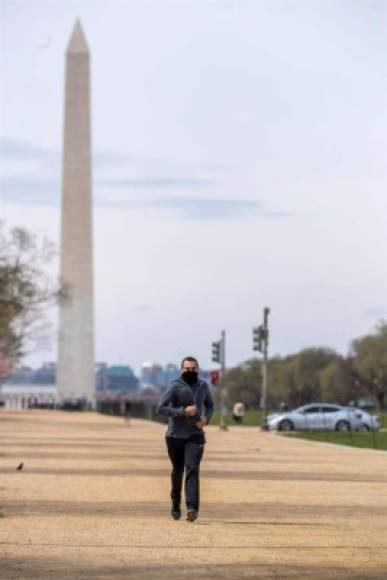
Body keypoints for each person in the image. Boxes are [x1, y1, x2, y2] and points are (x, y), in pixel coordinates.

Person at [157, 356, 214, 522]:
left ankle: (192, 508)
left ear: (198, 369)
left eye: (193, 369)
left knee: (192, 468)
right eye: (187, 369)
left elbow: (210, 405)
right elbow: (160, 408)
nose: (190, 372)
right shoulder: (175, 386)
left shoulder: (203, 386)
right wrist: (183, 411)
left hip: (195, 435)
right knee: (178, 470)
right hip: (175, 436)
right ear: (181, 370)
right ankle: (175, 500)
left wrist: (206, 419)